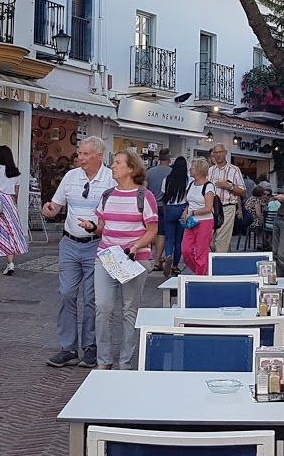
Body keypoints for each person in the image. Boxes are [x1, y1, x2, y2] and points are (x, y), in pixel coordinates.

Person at [43, 137, 116, 368]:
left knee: (92, 298)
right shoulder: (71, 177)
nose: (80, 158)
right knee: (66, 293)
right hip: (70, 244)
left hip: (98, 244)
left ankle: (91, 346)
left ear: (99, 156)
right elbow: (57, 206)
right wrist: (50, 209)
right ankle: (68, 348)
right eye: (79, 153)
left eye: (85, 154)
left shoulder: (111, 179)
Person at [91, 151, 159, 369]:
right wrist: (92, 227)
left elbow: (152, 230)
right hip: (108, 257)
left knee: (129, 310)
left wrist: (137, 246)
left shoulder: (144, 196)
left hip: (134, 259)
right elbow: (102, 228)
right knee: (102, 307)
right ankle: (104, 360)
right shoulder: (107, 195)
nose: (113, 166)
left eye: (118, 163)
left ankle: (125, 362)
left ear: (131, 169)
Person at [0, 144, 28, 275]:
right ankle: (10, 263)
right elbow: (16, 194)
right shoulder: (16, 172)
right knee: (10, 232)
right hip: (10, 203)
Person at [181, 157, 217, 274]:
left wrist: (192, 212)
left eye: (192, 168)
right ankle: (198, 271)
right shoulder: (191, 184)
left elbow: (208, 208)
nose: (190, 169)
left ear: (198, 170)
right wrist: (186, 211)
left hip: (204, 221)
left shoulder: (208, 186)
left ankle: (200, 276)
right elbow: (189, 202)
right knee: (186, 250)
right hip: (191, 221)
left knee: (201, 252)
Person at [207, 144, 247, 252]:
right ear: (213, 155)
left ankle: (219, 266)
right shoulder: (210, 171)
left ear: (225, 153)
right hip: (212, 208)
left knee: (221, 241)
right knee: (210, 241)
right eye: (216, 153)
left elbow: (243, 191)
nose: (219, 155)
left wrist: (229, 186)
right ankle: (224, 260)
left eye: (221, 152)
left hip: (228, 207)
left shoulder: (234, 170)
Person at [157, 155, 190, 275]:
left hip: (169, 209)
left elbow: (163, 194)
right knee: (179, 239)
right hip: (182, 209)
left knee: (169, 238)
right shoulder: (188, 180)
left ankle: (168, 255)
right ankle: (175, 265)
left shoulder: (167, 179)